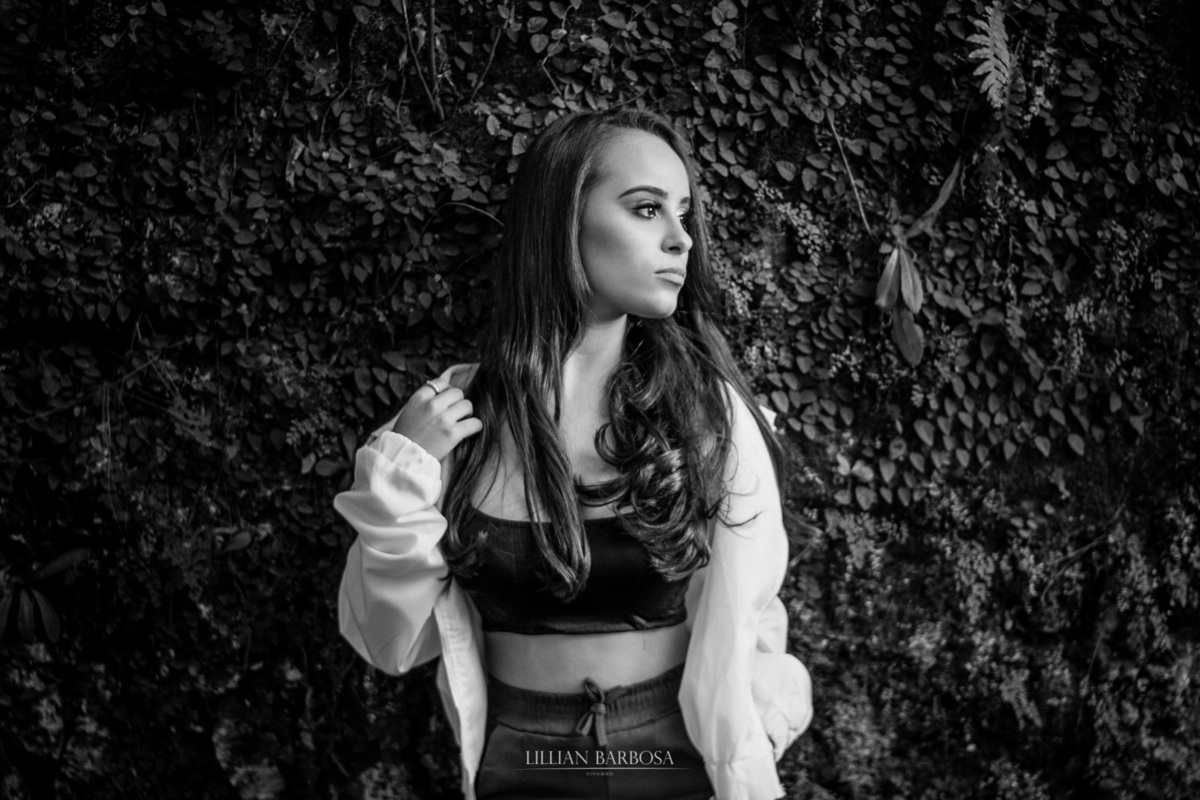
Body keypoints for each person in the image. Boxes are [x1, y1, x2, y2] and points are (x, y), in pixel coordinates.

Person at [334, 108, 813, 800]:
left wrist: (757, 732)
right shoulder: (450, 418)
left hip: (673, 753)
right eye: (646, 209)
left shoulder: (708, 413)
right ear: (563, 221)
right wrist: (401, 474)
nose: (681, 238)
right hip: (522, 761)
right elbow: (388, 641)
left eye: (683, 214)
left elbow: (751, 611)